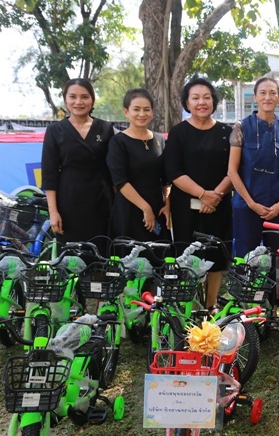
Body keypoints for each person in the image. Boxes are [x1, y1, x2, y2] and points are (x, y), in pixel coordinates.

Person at [163, 77, 233, 311]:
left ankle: (211, 305)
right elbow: (173, 172)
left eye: (206, 97)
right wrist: (203, 194)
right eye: (195, 98)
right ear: (187, 102)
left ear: (214, 101)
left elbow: (233, 170)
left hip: (219, 204)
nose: (201, 102)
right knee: (188, 255)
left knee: (215, 256)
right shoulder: (178, 132)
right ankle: (191, 307)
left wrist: (215, 196)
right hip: (185, 207)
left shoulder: (227, 132)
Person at [41, 78, 115, 248]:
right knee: (71, 257)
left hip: (101, 201)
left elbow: (113, 169)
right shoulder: (55, 130)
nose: (78, 102)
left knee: (101, 255)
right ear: (65, 100)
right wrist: (53, 212)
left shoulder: (105, 128)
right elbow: (49, 175)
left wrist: (117, 206)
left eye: (84, 97)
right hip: (68, 202)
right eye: (73, 97)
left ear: (92, 100)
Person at [228, 75, 279, 258]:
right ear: (255, 97)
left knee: (276, 257)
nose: (267, 97)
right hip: (246, 205)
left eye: (272, 93)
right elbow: (232, 171)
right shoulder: (241, 127)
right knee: (245, 259)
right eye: (262, 93)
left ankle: (273, 281)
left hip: (277, 206)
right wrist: (252, 204)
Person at [107, 88, 170, 243]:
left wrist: (168, 205)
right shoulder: (118, 142)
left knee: (159, 253)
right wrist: (145, 208)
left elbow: (166, 179)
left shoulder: (160, 140)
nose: (142, 114)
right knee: (130, 254)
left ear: (152, 112)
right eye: (136, 109)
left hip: (157, 209)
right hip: (129, 210)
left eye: (146, 109)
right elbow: (120, 181)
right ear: (126, 112)